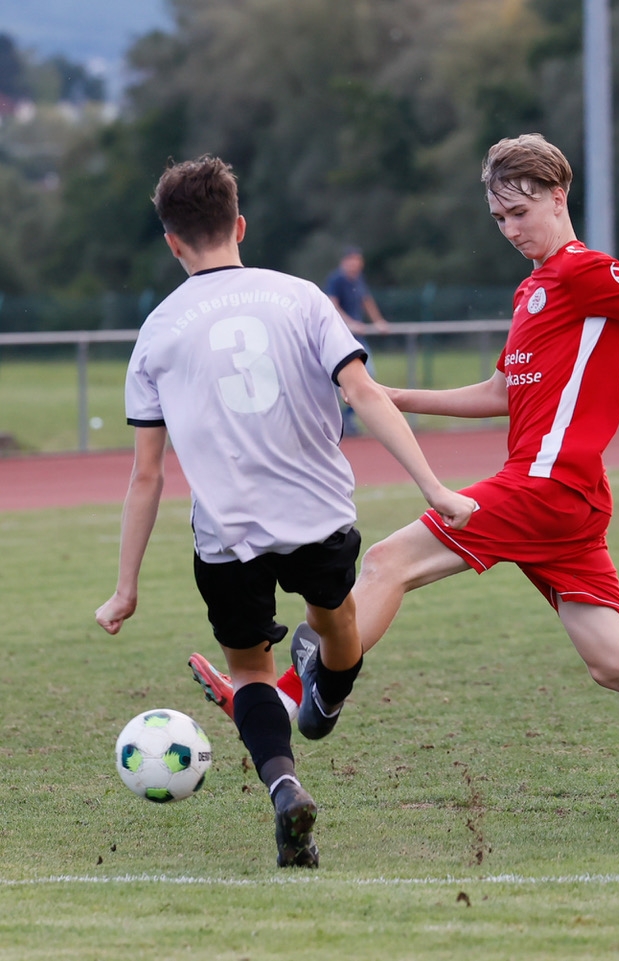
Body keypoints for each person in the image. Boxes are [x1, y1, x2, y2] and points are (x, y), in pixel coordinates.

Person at [189, 134, 619, 822]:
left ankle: (282, 697)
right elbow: (501, 392)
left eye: (520, 212)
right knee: (614, 661)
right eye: (498, 218)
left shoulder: (581, 270)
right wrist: (395, 397)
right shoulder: (534, 289)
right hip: (564, 497)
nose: (511, 229)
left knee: (390, 562)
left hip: (545, 486)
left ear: (558, 196)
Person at [95, 155, 476, 869]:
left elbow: (146, 474)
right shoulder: (302, 298)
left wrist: (125, 588)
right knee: (337, 628)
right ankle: (325, 700)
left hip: (228, 537)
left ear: (172, 243)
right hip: (319, 518)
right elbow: (364, 394)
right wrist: (434, 486)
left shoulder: (156, 331)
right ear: (240, 225)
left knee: (250, 672)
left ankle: (284, 785)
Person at [323, 246, 390, 436]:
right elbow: (332, 304)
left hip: (356, 338)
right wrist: (350, 323)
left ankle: (348, 417)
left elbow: (366, 301)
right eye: (351, 260)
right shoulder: (336, 279)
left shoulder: (358, 279)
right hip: (339, 337)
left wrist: (378, 321)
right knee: (338, 383)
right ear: (344, 261)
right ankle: (338, 420)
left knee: (369, 376)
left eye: (358, 260)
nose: (355, 264)